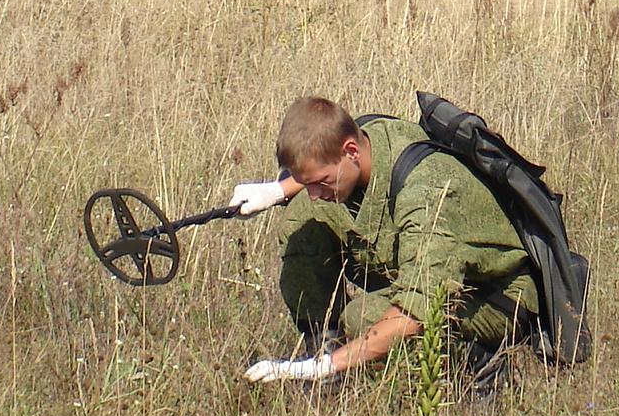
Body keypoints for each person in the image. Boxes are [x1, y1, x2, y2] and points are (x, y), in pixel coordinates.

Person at [229, 96, 540, 389]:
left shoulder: (426, 189)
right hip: (425, 265)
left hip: (493, 295)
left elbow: (420, 308)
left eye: (320, 182)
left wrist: (322, 366)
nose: (313, 191)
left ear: (351, 151)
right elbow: (322, 163)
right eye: (307, 183)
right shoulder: (364, 140)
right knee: (305, 215)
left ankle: (476, 365)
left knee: (363, 317)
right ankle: (325, 350)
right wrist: (277, 191)